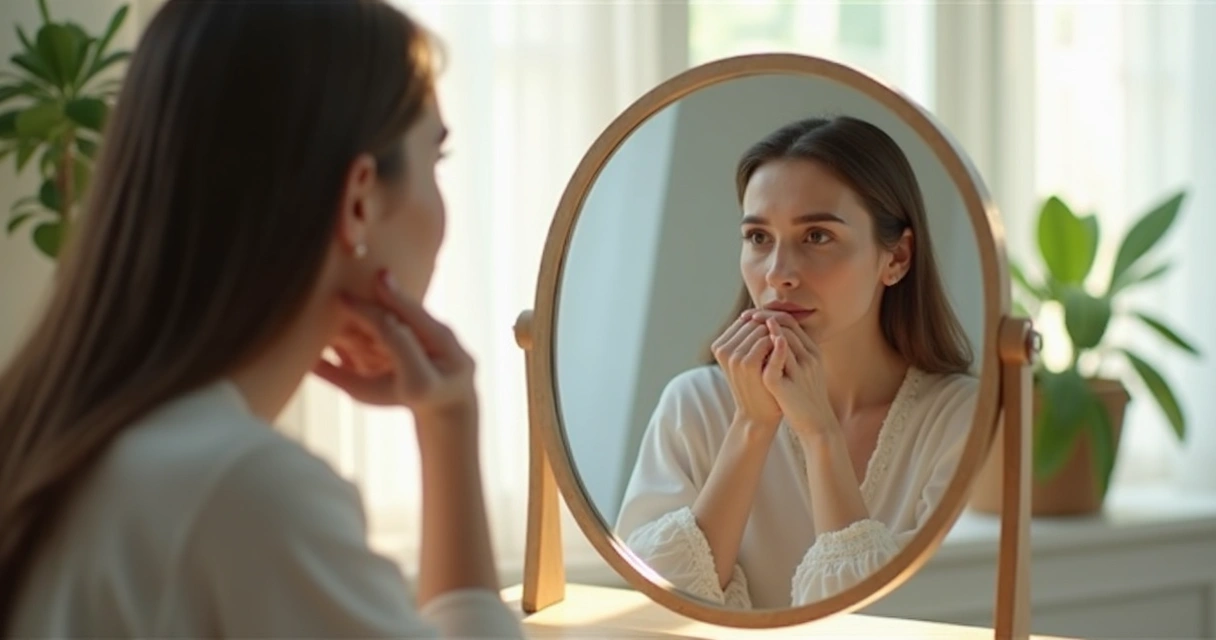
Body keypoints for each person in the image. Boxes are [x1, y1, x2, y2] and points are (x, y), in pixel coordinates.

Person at [0, 1, 524, 637]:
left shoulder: (50, 432)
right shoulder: (243, 491)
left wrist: (445, 421)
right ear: (359, 199)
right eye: (434, 160)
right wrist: (452, 428)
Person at [614, 115, 978, 609]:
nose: (778, 274)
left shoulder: (961, 419)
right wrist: (750, 425)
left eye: (817, 237)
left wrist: (821, 435)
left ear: (897, 258)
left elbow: (895, 619)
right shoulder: (692, 406)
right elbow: (652, 609)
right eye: (759, 238)